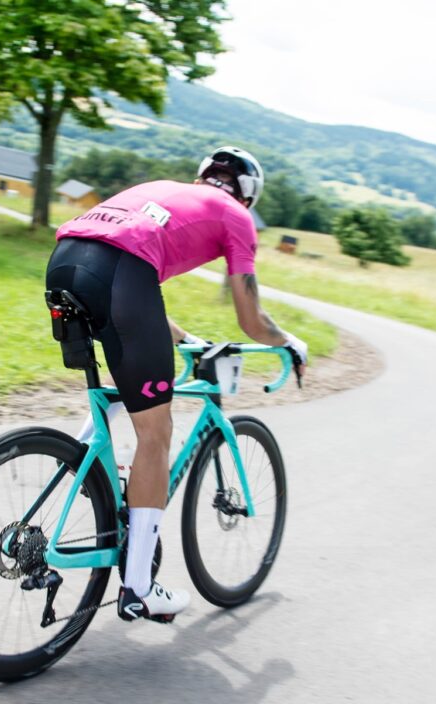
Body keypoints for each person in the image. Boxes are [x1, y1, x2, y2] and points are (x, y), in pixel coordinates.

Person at [46, 146, 308, 623]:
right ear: (248, 195)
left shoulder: (166, 191)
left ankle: (83, 466)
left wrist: (186, 339)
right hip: (121, 275)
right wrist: (289, 342)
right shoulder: (236, 216)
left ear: (203, 176)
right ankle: (139, 590)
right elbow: (250, 319)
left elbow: (130, 288)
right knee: (156, 432)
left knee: (123, 379)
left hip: (66, 260)